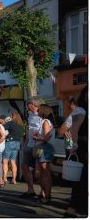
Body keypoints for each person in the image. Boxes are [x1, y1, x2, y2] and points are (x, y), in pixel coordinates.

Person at [64, 85, 88, 217]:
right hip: (84, 147)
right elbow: (74, 129)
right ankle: (72, 210)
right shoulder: (81, 110)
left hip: (84, 146)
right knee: (82, 180)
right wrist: (75, 144)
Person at [32, 104, 56, 204]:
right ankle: (45, 193)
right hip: (42, 148)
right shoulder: (45, 121)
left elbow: (46, 138)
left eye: (39, 109)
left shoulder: (46, 122)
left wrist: (37, 138)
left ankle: (48, 195)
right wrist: (39, 136)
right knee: (38, 174)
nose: (37, 110)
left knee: (45, 174)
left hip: (45, 148)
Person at [20, 96, 42, 197]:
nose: (28, 106)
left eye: (29, 104)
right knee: (24, 166)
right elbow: (29, 130)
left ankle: (44, 192)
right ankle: (30, 189)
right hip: (29, 145)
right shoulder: (30, 116)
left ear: (33, 105)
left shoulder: (41, 115)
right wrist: (26, 142)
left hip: (38, 145)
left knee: (39, 171)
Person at [1, 111, 23, 184]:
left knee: (5, 161)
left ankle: (4, 178)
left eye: (11, 116)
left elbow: (2, 128)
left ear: (14, 116)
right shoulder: (21, 125)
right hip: (17, 143)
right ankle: (14, 179)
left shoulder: (11, 123)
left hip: (9, 142)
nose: (10, 117)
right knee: (13, 162)